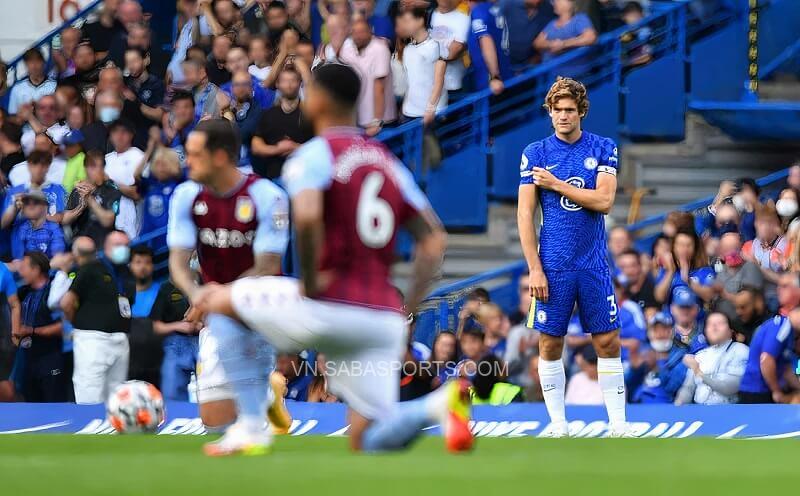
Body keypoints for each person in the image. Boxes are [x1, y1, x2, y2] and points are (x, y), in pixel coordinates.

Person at [191, 64, 472, 455]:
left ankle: (253, 425)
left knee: (215, 300)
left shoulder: (314, 155)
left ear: (319, 99)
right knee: (366, 438)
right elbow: (433, 240)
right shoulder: (385, 160)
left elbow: (306, 217)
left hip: (329, 303)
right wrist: (407, 306)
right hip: (380, 317)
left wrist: (309, 280)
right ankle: (437, 405)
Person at [167, 118, 290, 454]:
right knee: (212, 418)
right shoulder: (186, 196)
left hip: (262, 302)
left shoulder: (268, 196)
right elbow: (178, 260)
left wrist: (217, 298)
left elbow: (267, 265)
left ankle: (256, 410)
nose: (186, 161)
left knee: (240, 405)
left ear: (219, 157)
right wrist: (196, 294)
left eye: (194, 154)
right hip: (216, 300)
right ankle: (266, 396)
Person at [517, 77, 626, 437]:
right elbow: (524, 215)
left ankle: (619, 424)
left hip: (593, 262)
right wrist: (534, 268)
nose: (563, 116)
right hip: (553, 264)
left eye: (569, 109)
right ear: (549, 113)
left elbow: (605, 201)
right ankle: (558, 423)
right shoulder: (535, 153)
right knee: (550, 341)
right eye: (557, 109)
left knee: (608, 341)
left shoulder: (604, 147)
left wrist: (557, 184)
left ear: (581, 111)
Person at [60, 231, 135, 404]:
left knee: (117, 397)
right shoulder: (91, 268)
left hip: (121, 338)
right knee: (89, 391)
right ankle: (89, 429)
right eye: (118, 245)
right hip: (92, 339)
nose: (123, 249)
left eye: (126, 245)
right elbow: (67, 302)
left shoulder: (127, 274)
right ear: (106, 247)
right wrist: (78, 324)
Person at [738, 272, 800, 403]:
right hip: (759, 392)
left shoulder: (783, 323)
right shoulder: (782, 324)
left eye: (785, 286)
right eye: (779, 286)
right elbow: (766, 359)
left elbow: (786, 368)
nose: (778, 290)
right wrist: (776, 390)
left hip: (759, 389)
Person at [16, 252, 67, 402]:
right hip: (28, 361)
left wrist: (32, 331)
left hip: (50, 358)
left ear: (36, 269)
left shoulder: (55, 292)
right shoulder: (23, 292)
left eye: (24, 267)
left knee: (54, 408)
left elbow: (63, 327)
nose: (21, 272)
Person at [251, 67, 313, 180]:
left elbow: (321, 144)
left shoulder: (309, 114)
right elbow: (256, 146)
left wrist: (297, 147)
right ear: (278, 84)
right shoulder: (269, 114)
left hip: (303, 176)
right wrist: (277, 149)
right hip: (275, 176)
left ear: (300, 83)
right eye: (284, 81)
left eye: (293, 80)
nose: (289, 84)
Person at [675, 312, 749, 405]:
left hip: (729, 413)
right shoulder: (700, 355)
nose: (714, 327)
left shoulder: (740, 350)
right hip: (700, 414)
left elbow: (729, 388)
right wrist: (678, 405)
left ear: (731, 330)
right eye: (709, 324)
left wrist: (698, 371)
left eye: (720, 323)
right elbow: (688, 388)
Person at [340, 19, 396, 135]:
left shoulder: (380, 49)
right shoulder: (346, 48)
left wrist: (377, 122)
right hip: (359, 121)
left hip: (382, 122)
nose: (358, 36)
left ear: (371, 31)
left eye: (362, 32)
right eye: (355, 32)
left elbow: (379, 87)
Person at [2, 151, 66, 252]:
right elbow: (3, 224)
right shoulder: (15, 192)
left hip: (52, 249)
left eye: (43, 165)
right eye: (35, 164)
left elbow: (62, 217)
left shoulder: (58, 190)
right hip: (21, 253)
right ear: (29, 166)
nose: (39, 169)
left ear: (48, 167)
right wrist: (14, 208)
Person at [151, 278, 200, 401]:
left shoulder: (206, 279)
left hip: (204, 339)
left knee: (213, 390)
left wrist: (204, 324)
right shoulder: (166, 288)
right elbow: (155, 326)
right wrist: (178, 325)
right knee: (171, 395)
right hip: (176, 344)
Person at [399, 7, 447, 125]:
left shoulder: (435, 45)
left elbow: (439, 79)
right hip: (409, 113)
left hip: (431, 114)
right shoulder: (408, 49)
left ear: (420, 21)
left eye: (407, 21)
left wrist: (430, 109)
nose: (404, 25)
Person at [62, 151, 122, 247]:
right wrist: (81, 207)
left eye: (101, 166)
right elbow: (65, 220)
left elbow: (108, 221)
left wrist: (89, 199)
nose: (98, 170)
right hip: (80, 243)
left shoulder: (111, 189)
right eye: (93, 166)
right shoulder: (77, 191)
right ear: (85, 168)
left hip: (103, 244)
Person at [654, 228, 716, 307]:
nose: (684, 249)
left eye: (689, 245)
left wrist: (687, 280)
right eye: (680, 245)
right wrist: (670, 272)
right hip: (669, 318)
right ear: (673, 247)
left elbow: (710, 296)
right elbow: (659, 298)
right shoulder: (666, 271)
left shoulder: (705, 271)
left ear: (695, 248)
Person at [104, 119, 145, 239]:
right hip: (107, 218)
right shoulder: (106, 159)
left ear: (131, 135)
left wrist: (109, 182)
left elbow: (139, 193)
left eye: (124, 132)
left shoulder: (138, 157)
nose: (119, 136)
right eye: (115, 132)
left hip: (129, 217)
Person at [534, 0, 598, 74]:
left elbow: (590, 37)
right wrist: (552, 44)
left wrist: (563, 44)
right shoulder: (551, 24)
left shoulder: (579, 19)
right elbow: (537, 43)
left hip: (575, 75)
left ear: (569, 3)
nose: (554, 3)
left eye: (557, 1)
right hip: (551, 75)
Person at [468, 0, 512, 94]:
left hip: (491, 84)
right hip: (505, 75)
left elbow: (486, 40)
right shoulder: (495, 9)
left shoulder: (479, 12)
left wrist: (494, 76)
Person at [430, 0, 471, 97]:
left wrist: (426, 56)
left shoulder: (464, 16)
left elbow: (455, 50)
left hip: (455, 84)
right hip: (433, 85)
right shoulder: (433, 14)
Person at [14, 191, 66, 261]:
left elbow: (58, 257)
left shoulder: (53, 228)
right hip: (26, 268)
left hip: (50, 267)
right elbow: (18, 258)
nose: (30, 205)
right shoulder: (21, 228)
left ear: (45, 206)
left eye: (36, 202)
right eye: (26, 202)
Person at [500, 0, 555, 66]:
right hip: (502, 63)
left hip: (529, 66)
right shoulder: (507, 4)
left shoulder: (548, 9)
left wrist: (536, 58)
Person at [8, 49, 57, 116]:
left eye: (38, 61)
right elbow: (12, 116)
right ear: (26, 65)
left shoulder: (55, 86)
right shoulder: (17, 88)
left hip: (49, 126)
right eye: (30, 62)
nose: (34, 66)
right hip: (24, 126)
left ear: (43, 63)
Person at [616, 248, 659, 319]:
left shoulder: (652, 289)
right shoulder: (617, 292)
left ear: (640, 266)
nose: (629, 271)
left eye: (632, 265)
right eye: (623, 267)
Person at [0, 260, 21, 402]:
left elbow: (14, 305)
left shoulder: (2, 270)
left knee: (5, 385)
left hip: (2, 336)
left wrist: (15, 333)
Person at [61, 129, 87, 194]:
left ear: (80, 145)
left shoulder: (84, 159)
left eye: (71, 145)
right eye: (66, 145)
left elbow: (83, 183)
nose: (68, 148)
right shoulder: (71, 159)